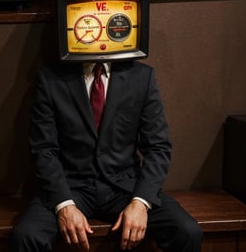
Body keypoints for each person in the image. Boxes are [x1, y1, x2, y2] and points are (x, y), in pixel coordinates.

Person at [10, 59, 202, 252]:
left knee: (187, 231)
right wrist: (64, 206)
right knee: (26, 236)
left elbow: (158, 147)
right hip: (71, 186)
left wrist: (141, 202)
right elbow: (43, 149)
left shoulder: (142, 76)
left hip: (124, 187)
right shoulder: (50, 78)